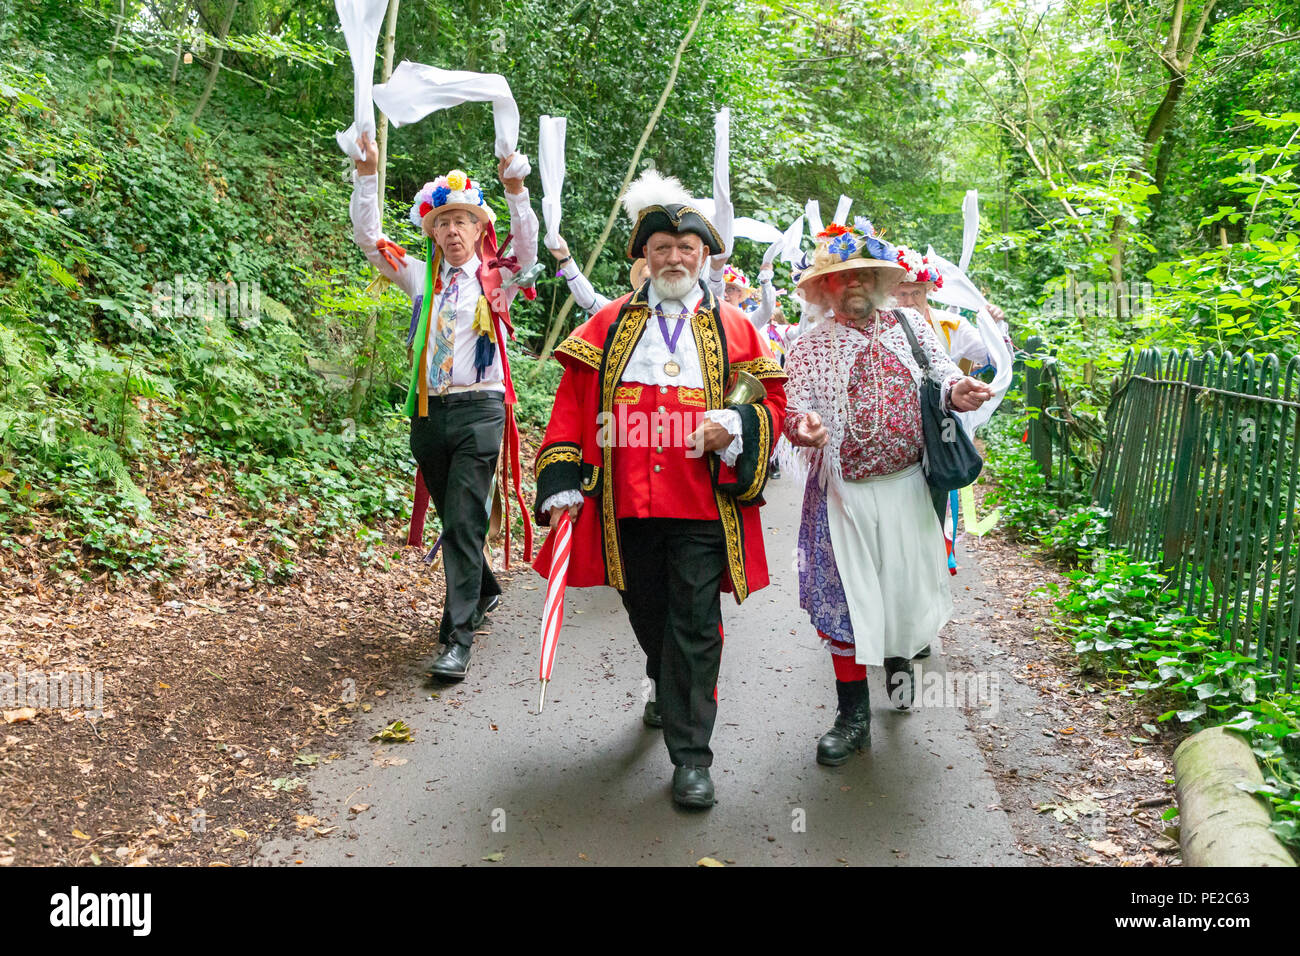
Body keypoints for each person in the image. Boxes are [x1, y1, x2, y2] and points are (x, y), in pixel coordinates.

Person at [531, 170, 808, 809]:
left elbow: (770, 402)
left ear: (704, 256)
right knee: (646, 610)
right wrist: (563, 478)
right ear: (645, 258)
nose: (675, 257)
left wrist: (735, 423)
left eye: (687, 248)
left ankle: (692, 757)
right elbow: (573, 406)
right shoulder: (608, 323)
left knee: (694, 623)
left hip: (702, 506)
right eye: (662, 248)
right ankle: (665, 679)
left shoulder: (737, 326)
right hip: (623, 503)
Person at [781, 222, 993, 763]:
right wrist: (801, 427)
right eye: (841, 277)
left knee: (901, 594)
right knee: (846, 603)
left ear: (880, 279)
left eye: (865, 274)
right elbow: (793, 409)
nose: (854, 284)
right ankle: (852, 718)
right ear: (823, 289)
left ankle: (898, 667)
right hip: (842, 493)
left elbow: (943, 377)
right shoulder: (807, 346)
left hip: (906, 487)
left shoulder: (911, 327)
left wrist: (959, 391)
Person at [349, 132, 538, 681]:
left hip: (482, 409)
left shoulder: (496, 276)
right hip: (428, 412)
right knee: (452, 517)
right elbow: (369, 239)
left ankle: (457, 637)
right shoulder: (418, 276)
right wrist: (367, 174)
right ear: (431, 231)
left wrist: (516, 189)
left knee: (462, 515)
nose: (453, 231)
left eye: (463, 221)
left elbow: (527, 247)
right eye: (443, 223)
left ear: (480, 229)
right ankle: (484, 590)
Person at [544, 233, 648, 318]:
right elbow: (590, 300)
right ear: (638, 286)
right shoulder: (626, 314)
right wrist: (566, 258)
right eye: (646, 281)